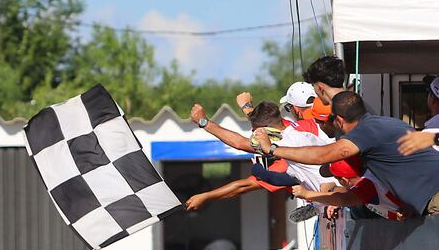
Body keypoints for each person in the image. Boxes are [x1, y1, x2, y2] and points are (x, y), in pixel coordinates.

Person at [253, 91, 439, 216]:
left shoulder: (367, 133)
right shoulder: (387, 123)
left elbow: (322, 156)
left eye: (331, 118)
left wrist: (272, 149)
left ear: (339, 120)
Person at [185, 101, 336, 211]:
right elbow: (264, 121)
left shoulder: (284, 146)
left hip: (336, 199)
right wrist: (247, 109)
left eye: (256, 132)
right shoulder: (296, 127)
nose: (254, 136)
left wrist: (204, 122)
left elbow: (239, 145)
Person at [290, 156, 409, 221]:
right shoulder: (366, 177)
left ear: (345, 180)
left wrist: (307, 194)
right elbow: (346, 196)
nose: (337, 181)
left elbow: (344, 199)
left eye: (337, 178)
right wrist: (335, 203)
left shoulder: (366, 184)